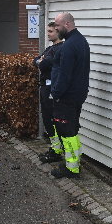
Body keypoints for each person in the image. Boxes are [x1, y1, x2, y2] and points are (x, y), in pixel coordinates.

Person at [49, 12, 90, 179]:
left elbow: (65, 74)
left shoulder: (69, 46)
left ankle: (72, 168)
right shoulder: (81, 41)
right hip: (78, 94)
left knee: (67, 132)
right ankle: (73, 162)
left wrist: (56, 94)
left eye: (57, 26)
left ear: (66, 24)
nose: (56, 29)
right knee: (72, 129)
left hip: (67, 97)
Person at [33, 22, 64, 164]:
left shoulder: (60, 49)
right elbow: (36, 60)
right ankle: (54, 147)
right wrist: (40, 61)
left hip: (52, 89)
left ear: (58, 33)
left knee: (52, 119)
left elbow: (44, 64)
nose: (48, 33)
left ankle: (57, 150)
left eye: (51, 31)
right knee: (46, 118)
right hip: (44, 88)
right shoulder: (49, 48)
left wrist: (42, 61)